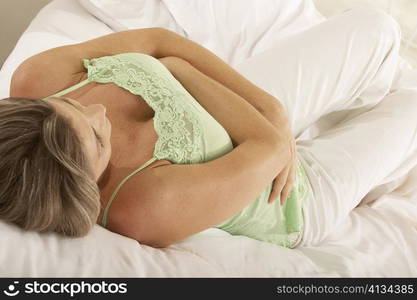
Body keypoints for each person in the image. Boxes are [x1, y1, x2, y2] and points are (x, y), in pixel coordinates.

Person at [1, 8, 416, 248]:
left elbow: (159, 40)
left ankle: (360, 128)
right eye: (96, 139)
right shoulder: (140, 206)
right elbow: (271, 149)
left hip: (227, 112)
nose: (99, 114)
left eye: (71, 103)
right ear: (84, 186)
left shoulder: (35, 78)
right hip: (289, 194)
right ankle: (377, 178)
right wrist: (177, 70)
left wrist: (272, 106)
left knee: (379, 28)